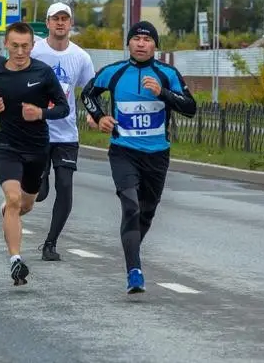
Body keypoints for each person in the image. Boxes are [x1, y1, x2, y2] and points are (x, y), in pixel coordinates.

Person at [80, 21, 197, 294]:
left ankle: (131, 252)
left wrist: (162, 93)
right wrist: (100, 117)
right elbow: (87, 94)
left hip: (157, 155)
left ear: (155, 45)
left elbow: (191, 108)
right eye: (136, 39)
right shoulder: (114, 72)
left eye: (147, 40)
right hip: (124, 152)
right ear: (129, 43)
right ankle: (134, 271)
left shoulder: (167, 74)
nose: (141, 44)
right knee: (130, 207)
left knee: (146, 212)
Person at [0, 21, 69, 286]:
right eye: (15, 46)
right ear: (6, 44)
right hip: (8, 147)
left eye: (25, 46)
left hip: (37, 149)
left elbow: (63, 108)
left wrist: (41, 113)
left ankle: (10, 213)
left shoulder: (43, 72)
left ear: (32, 45)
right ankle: (15, 260)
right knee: (13, 198)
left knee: (26, 205)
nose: (20, 52)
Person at [31, 2, 96, 261]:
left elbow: (90, 92)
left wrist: (93, 114)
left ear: (70, 24)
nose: (60, 23)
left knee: (65, 186)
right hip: (37, 131)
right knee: (39, 193)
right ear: (47, 23)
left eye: (64, 19)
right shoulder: (35, 52)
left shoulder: (81, 57)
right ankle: (15, 205)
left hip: (67, 135)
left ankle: (50, 243)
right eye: (55, 18)